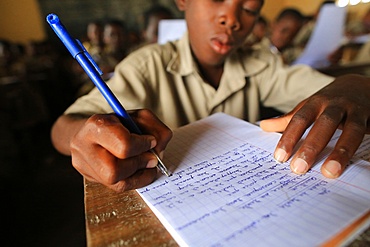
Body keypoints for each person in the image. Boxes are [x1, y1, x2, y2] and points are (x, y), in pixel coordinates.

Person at [51, 0, 370, 192]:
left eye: (248, 8)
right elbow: (62, 127)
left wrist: (356, 83)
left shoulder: (261, 64)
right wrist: (84, 137)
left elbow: (324, 90)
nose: (231, 19)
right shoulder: (147, 65)